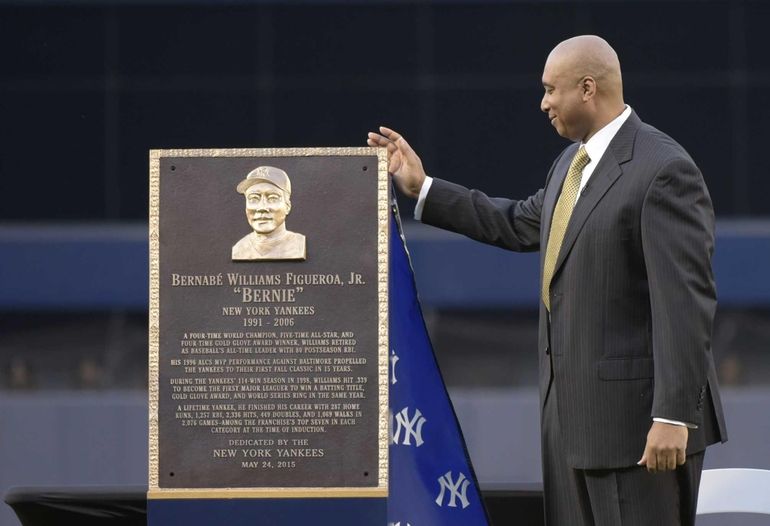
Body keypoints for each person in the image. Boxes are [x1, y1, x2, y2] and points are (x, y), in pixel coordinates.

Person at [368, 35, 726, 525]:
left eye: (549, 90)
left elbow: (685, 304)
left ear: (586, 88)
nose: (543, 103)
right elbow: (517, 222)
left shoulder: (664, 170)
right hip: (570, 430)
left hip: (638, 433)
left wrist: (673, 415)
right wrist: (423, 187)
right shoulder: (571, 164)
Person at [232, 166, 306, 261]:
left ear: (287, 206)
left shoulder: (299, 245)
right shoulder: (239, 249)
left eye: (272, 198)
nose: (262, 207)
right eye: (254, 199)